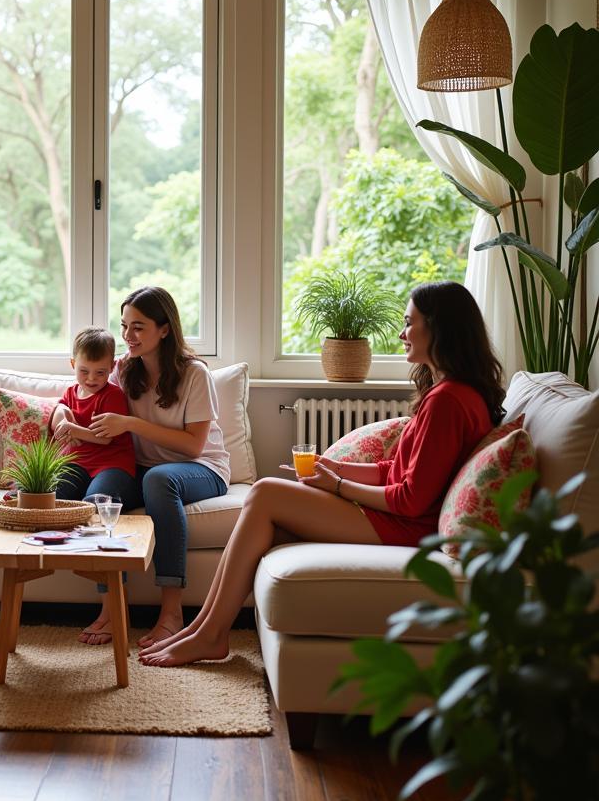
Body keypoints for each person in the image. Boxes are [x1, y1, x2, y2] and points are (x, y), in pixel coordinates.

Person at [140, 280, 505, 669]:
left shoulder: (448, 401)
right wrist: (337, 469)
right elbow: (396, 471)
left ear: (439, 328)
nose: (401, 333)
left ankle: (210, 635)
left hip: (409, 525)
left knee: (265, 493)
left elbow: (411, 498)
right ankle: (202, 630)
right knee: (269, 524)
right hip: (405, 518)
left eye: (408, 322)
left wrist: (340, 487)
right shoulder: (449, 392)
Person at [84, 287, 231, 648]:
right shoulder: (122, 370)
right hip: (144, 468)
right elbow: (88, 403)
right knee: (101, 491)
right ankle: (111, 608)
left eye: (138, 327)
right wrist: (61, 414)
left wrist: (131, 424)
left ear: (164, 329)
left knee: (159, 479)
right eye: (124, 326)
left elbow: (192, 445)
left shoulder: (194, 374)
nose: (127, 337)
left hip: (201, 467)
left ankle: (172, 612)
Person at [50, 327, 141, 644]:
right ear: (71, 364)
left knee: (98, 504)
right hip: (78, 464)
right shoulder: (71, 394)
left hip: (113, 466)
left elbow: (104, 437)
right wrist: (61, 412)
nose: (91, 378)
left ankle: (112, 608)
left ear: (112, 367)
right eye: (84, 371)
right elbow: (58, 412)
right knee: (48, 497)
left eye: (100, 372)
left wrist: (71, 426)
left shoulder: (113, 395)